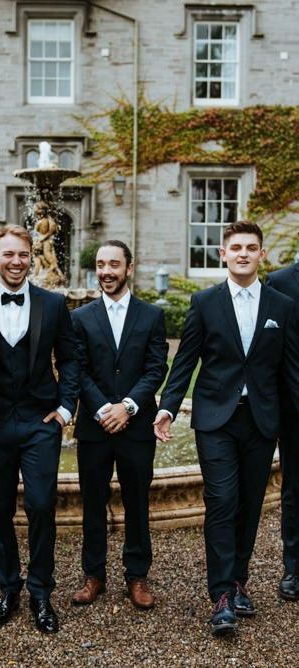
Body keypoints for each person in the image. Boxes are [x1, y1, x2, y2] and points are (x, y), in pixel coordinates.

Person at [154, 221, 299, 636]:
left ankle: (238, 582)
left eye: (251, 248)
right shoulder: (204, 302)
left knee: (251, 502)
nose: (243, 254)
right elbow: (184, 363)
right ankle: (220, 595)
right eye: (236, 247)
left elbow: (290, 370)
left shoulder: (281, 305)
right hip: (216, 417)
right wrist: (166, 408)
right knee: (222, 500)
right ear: (223, 254)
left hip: (261, 420)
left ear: (262, 255)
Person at [0, 224, 80, 634]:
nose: (17, 262)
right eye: (9, 254)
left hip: (39, 423)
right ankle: (8, 586)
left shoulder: (53, 305)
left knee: (41, 505)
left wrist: (64, 408)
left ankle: (41, 591)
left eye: (23, 254)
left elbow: (71, 359)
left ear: (31, 257)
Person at [70, 240, 168, 610]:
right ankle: (93, 575)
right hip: (95, 429)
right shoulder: (79, 318)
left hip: (137, 425)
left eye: (114, 264)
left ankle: (137, 575)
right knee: (92, 503)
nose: (106, 271)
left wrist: (127, 406)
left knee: (137, 502)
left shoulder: (151, 316)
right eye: (100, 264)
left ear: (129, 268)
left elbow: (156, 367)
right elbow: (76, 370)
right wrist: (102, 410)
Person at [266, 259, 299, 601]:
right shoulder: (279, 281)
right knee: (294, 490)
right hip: (294, 408)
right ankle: (294, 567)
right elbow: (274, 351)